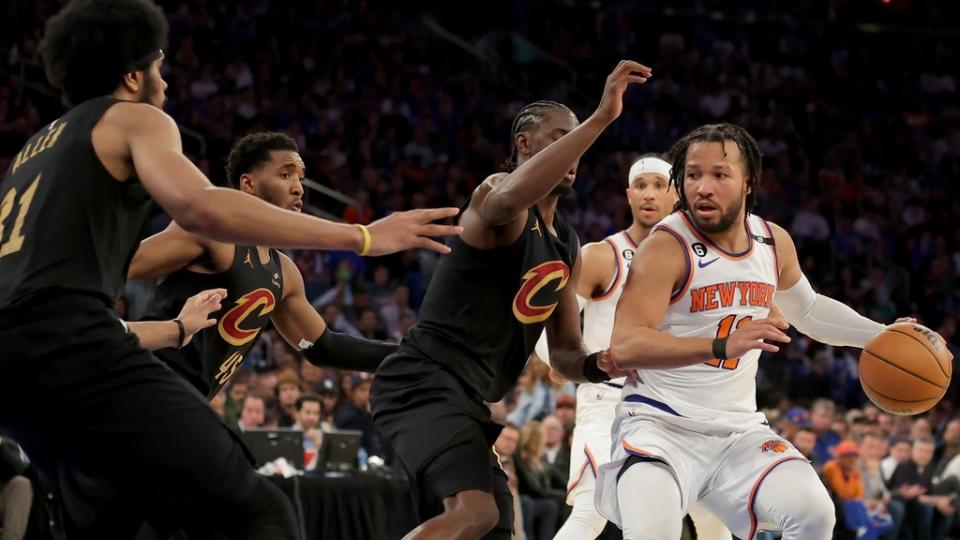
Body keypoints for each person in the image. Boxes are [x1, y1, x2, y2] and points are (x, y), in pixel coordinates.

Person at [0, 1, 459, 537]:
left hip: (21, 358)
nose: (165, 85)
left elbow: (322, 345)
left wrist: (409, 355)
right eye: (159, 68)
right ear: (131, 74)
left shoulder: (36, 148)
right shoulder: (134, 118)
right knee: (261, 514)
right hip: (89, 353)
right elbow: (198, 208)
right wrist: (362, 236)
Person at [595, 123, 942, 539]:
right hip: (659, 426)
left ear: (748, 182)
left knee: (815, 514)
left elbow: (809, 310)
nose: (703, 187)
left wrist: (880, 335)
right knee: (654, 532)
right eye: (692, 175)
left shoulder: (771, 240)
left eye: (719, 174)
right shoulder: (666, 246)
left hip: (738, 431)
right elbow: (627, 344)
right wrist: (721, 344)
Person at [371, 60, 651, 539]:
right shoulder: (493, 195)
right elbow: (505, 204)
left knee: (497, 527)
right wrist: (599, 119)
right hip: (423, 380)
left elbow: (565, 353)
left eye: (576, 141)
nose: (573, 151)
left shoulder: (567, 242)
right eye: (560, 137)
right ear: (524, 144)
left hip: (469, 401)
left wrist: (608, 363)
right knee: (476, 514)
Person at [128, 132, 421, 401]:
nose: (297, 189)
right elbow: (115, 268)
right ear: (248, 184)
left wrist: (413, 356)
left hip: (188, 402)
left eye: (301, 179)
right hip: (143, 386)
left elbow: (324, 348)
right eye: (285, 175)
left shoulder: (285, 273)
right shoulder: (211, 234)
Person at [545, 154, 730, 539]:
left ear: (675, 194)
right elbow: (547, 329)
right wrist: (567, 362)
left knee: (713, 515)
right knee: (590, 512)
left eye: (658, 186)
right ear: (628, 195)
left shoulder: (696, 258)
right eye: (640, 186)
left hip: (676, 402)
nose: (649, 194)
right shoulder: (601, 256)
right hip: (609, 400)